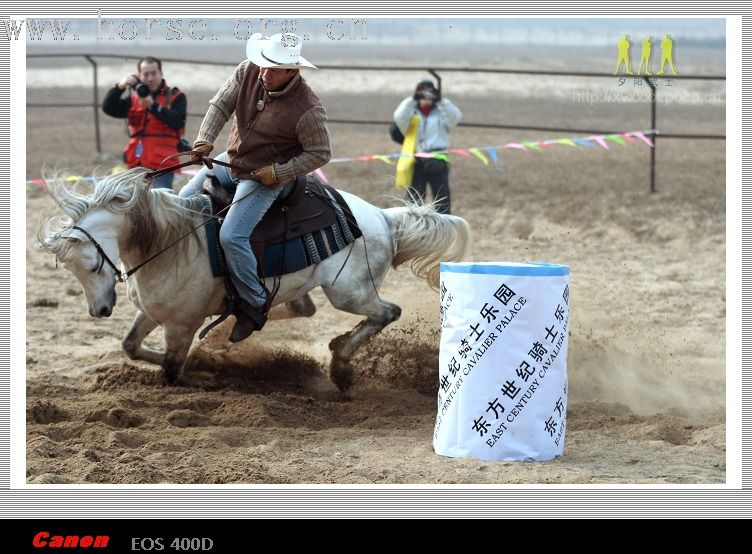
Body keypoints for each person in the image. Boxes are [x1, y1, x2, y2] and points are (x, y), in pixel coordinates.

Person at [189, 33, 331, 342]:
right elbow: (219, 106)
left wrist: (280, 172)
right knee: (182, 203)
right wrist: (205, 138)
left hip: (265, 178)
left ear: (292, 71)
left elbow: (320, 153)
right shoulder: (247, 70)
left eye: (273, 68)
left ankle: (254, 303)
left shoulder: (308, 109)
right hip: (232, 161)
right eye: (264, 64)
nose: (264, 72)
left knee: (232, 235)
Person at [102, 56, 187, 190]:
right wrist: (121, 86)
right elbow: (108, 107)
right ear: (140, 75)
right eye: (146, 74)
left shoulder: (176, 96)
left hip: (163, 166)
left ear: (161, 73)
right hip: (136, 165)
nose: (150, 78)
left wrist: (153, 106)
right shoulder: (134, 99)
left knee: (159, 205)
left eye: (154, 73)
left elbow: (177, 122)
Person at [393, 80, 461, 214]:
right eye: (422, 93)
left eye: (429, 92)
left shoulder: (441, 112)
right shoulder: (411, 112)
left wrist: (441, 100)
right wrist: (413, 100)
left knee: (442, 200)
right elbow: (399, 118)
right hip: (417, 159)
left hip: (438, 159)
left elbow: (456, 117)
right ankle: (415, 229)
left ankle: (444, 229)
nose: (426, 97)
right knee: (414, 200)